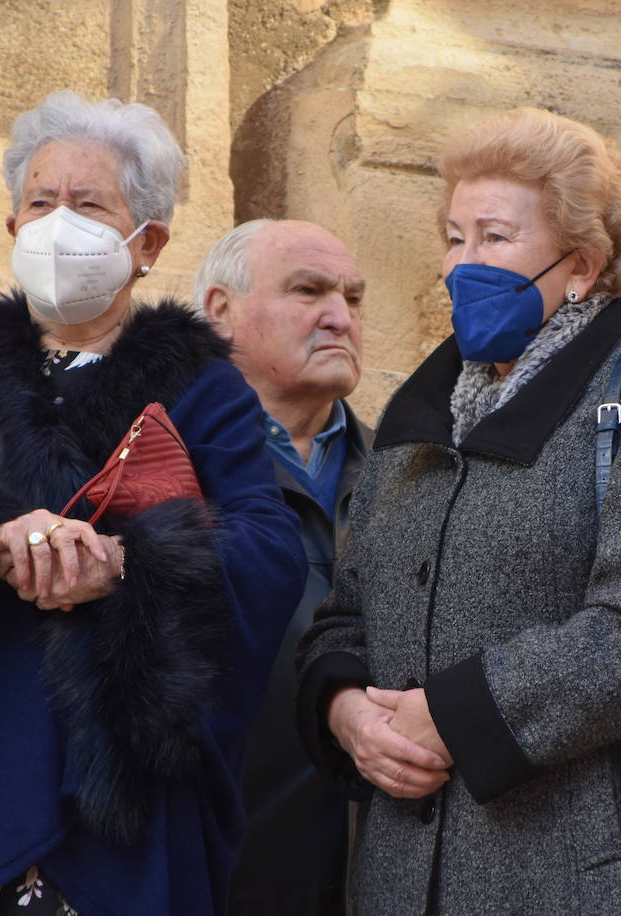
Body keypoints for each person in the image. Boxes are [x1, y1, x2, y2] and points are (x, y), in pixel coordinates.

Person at [0, 90, 306, 916]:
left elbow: (269, 549)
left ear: (146, 243)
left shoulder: (205, 388)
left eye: (88, 204)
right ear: (11, 229)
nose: (57, 223)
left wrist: (122, 564)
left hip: (119, 798)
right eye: (40, 202)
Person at [295, 107, 621, 913]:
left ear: (581, 265)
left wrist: (461, 715)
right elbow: (348, 614)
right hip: (400, 875)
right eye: (454, 235)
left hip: (579, 870)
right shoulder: (423, 403)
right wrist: (347, 711)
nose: (462, 265)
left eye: (495, 238)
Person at [194, 219, 371, 915]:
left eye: (354, 299)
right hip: (208, 869)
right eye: (309, 291)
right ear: (220, 311)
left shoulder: (413, 474)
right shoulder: (159, 464)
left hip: (367, 877)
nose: (340, 318)